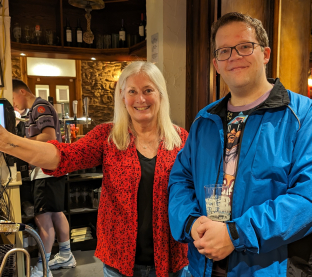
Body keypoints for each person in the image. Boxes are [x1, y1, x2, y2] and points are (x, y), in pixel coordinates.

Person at [168, 12, 312, 277]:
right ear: (216, 64)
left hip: (270, 268)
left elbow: (311, 200)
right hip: (204, 266)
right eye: (224, 51)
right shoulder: (205, 120)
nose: (234, 56)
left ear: (265, 53)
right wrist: (190, 222)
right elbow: (180, 180)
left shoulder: (304, 115)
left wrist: (236, 234)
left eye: (245, 46)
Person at [4, 62, 188, 277]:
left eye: (148, 90)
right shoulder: (107, 136)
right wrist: (6, 141)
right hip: (119, 261)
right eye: (132, 91)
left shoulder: (182, 140)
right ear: (122, 97)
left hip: (171, 261)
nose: (140, 99)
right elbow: (62, 157)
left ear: (161, 94)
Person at [12, 79, 76, 277]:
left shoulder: (39, 106)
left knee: (42, 217)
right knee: (56, 212)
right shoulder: (36, 110)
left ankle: (43, 267)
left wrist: (19, 141)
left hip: (45, 170)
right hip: (51, 169)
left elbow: (49, 137)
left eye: (13, 98)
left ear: (22, 91)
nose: (13, 103)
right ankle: (66, 255)